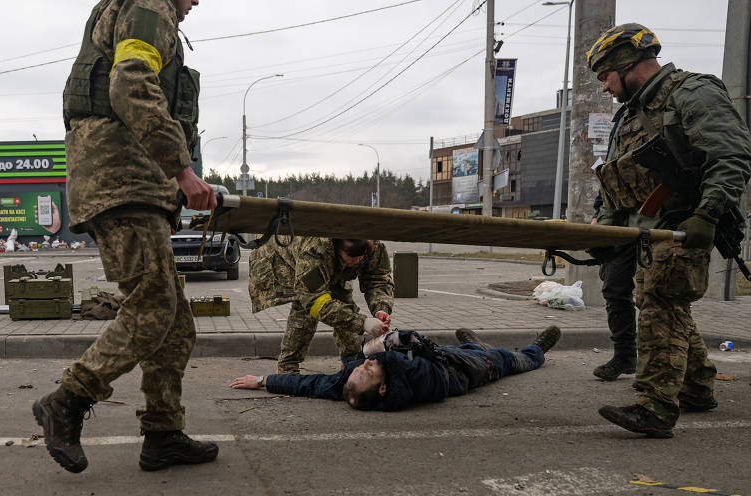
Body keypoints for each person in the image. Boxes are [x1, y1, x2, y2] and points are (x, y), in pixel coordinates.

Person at [32, 0, 219, 473]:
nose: (199, 1)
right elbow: (130, 82)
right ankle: (68, 399)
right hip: (123, 179)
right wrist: (182, 170)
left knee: (174, 320)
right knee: (155, 302)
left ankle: (163, 433)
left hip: (130, 180)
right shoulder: (148, 4)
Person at [587, 23, 751, 438]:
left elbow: (731, 155)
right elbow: (618, 180)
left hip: (685, 225)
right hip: (648, 232)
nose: (605, 87)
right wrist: (606, 233)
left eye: (605, 76)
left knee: (661, 302)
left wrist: (708, 214)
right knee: (666, 301)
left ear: (626, 65)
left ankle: (655, 406)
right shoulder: (632, 113)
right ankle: (697, 387)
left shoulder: (692, 93)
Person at [229, 326, 561, 411]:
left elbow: (311, 384)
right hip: (465, 370)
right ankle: (537, 351)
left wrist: (262, 380)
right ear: (383, 387)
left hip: (441, 354)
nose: (367, 366)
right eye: (368, 370)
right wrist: (380, 345)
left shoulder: (352, 387)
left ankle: (474, 342)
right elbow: (414, 343)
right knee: (506, 359)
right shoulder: (412, 384)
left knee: (464, 347)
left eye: (363, 369)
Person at [248, 237, 394, 374]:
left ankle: (351, 361)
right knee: (305, 313)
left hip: (331, 264)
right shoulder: (313, 250)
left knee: (344, 305)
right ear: (337, 246)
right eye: (352, 255)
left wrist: (381, 308)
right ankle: (288, 369)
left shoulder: (374, 246)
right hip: (287, 258)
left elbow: (378, 279)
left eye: (361, 255)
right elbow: (315, 302)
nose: (357, 261)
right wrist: (363, 323)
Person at [590, 193, 638, 382]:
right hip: (617, 227)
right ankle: (625, 357)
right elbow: (606, 184)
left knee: (658, 297)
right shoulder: (610, 161)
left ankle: (680, 368)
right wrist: (597, 217)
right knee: (614, 289)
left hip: (658, 223)